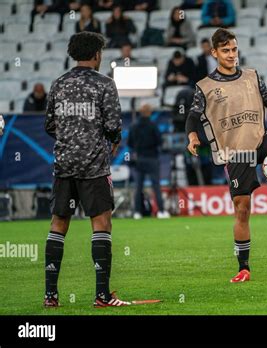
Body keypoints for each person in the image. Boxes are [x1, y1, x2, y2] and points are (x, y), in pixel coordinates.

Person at [185, 28, 267, 283]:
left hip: (260, 142)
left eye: (234, 49)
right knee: (243, 210)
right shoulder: (205, 86)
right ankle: (243, 268)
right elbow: (192, 116)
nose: (232, 55)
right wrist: (192, 136)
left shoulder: (252, 76)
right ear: (214, 53)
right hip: (236, 154)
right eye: (225, 51)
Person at [43, 32, 129, 307]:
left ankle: (51, 297)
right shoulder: (104, 84)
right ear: (96, 55)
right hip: (94, 166)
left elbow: (49, 125)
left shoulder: (58, 84)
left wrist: (70, 139)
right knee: (101, 224)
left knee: (58, 225)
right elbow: (114, 125)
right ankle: (102, 296)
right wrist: (112, 141)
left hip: (64, 165)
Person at [128, 104, 170, 219]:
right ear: (149, 113)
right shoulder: (153, 125)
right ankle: (161, 211)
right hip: (152, 158)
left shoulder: (134, 126)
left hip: (139, 159)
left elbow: (129, 143)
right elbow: (160, 142)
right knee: (156, 186)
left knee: (138, 187)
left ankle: (137, 212)